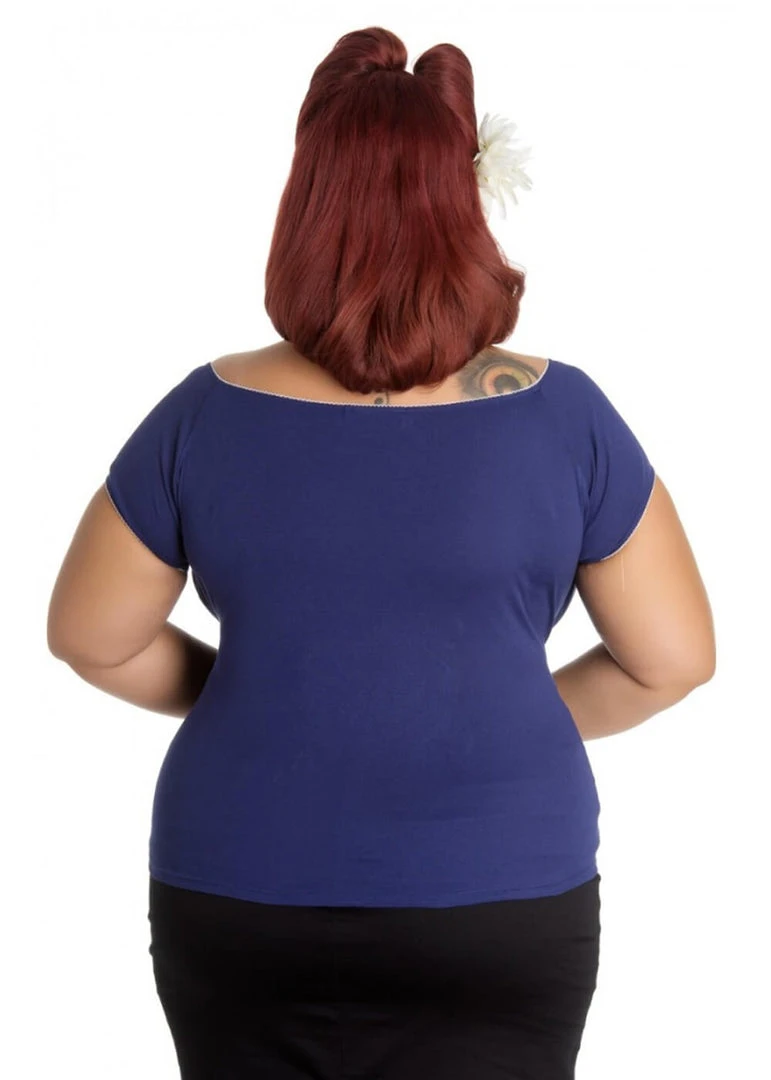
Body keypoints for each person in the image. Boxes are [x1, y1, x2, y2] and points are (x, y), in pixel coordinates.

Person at [46, 25, 715, 1080]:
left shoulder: (203, 414)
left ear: (309, 204)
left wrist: (273, 688)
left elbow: (92, 638)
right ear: (466, 200)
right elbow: (672, 660)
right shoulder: (566, 416)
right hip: (500, 900)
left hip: (241, 888)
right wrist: (494, 707)